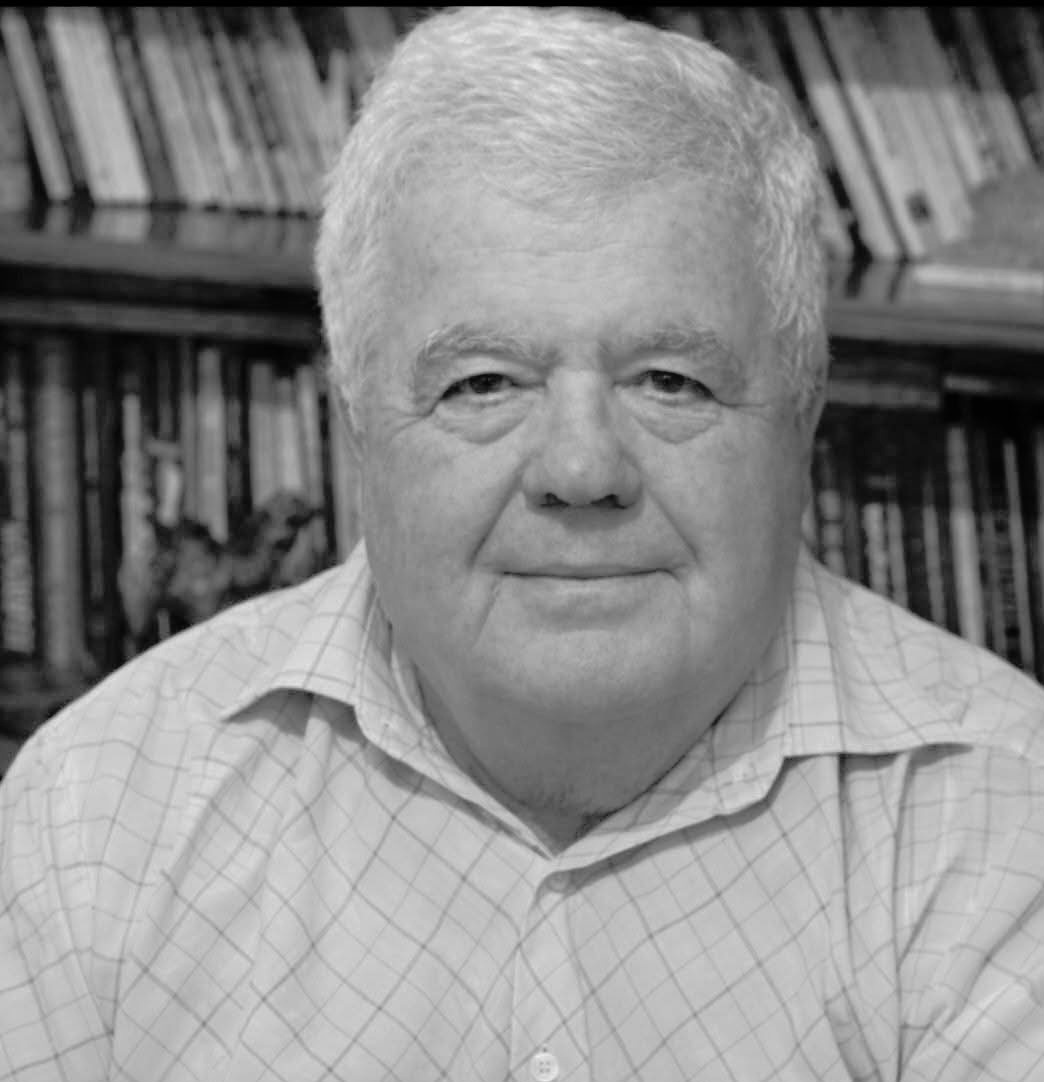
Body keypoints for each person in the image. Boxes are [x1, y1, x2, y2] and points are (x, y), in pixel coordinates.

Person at [3, 6, 1044, 1079]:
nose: (582, 470)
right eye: (483, 383)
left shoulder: (1008, 823)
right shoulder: (95, 816)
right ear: (356, 423)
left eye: (670, 381)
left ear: (806, 419)